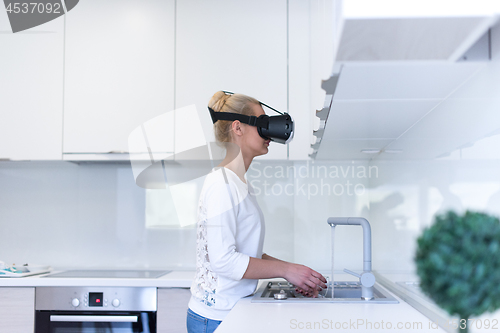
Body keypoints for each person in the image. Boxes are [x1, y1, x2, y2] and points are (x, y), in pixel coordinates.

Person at [186, 91, 327, 333]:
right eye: (262, 123)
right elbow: (224, 261)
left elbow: (245, 251)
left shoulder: (239, 183)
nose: (269, 132)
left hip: (228, 313)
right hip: (215, 319)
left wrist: (294, 271)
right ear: (237, 128)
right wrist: (287, 270)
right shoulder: (222, 184)